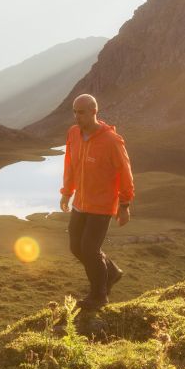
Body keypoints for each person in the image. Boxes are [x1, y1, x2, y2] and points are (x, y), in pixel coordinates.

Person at [60, 93, 134, 311]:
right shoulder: (73, 133)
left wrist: (125, 205)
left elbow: (125, 172)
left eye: (81, 112)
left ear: (94, 111)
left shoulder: (111, 141)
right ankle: (110, 272)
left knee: (90, 250)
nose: (77, 117)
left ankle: (99, 296)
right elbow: (70, 164)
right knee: (76, 247)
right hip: (80, 202)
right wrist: (67, 192)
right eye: (74, 112)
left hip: (101, 205)